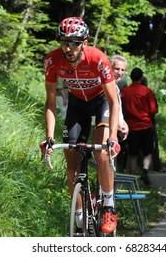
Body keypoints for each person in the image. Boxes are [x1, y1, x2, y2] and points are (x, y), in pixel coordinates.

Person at [42, 17, 120, 234]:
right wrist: (49, 136)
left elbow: (114, 101)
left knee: (102, 152)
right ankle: (78, 214)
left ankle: (108, 204)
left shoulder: (99, 59)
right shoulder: (52, 61)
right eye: (64, 42)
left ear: (84, 42)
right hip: (77, 104)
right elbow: (50, 102)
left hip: (101, 101)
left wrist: (112, 135)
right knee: (71, 156)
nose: (68, 48)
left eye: (74, 42)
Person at [121, 68, 158, 186]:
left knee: (133, 154)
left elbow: (121, 109)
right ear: (141, 78)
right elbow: (153, 110)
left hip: (130, 127)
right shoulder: (147, 91)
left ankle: (132, 180)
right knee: (148, 152)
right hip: (146, 125)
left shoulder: (124, 92)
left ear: (131, 77)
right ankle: (145, 172)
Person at [140, 76, 165, 173]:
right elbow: (154, 110)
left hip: (131, 123)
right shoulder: (148, 92)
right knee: (152, 147)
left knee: (133, 152)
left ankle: (135, 171)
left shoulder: (127, 91)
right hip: (147, 123)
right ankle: (153, 167)